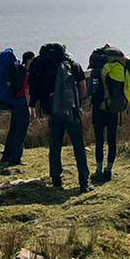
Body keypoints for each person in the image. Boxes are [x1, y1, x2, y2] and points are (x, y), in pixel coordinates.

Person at [42, 49, 89, 192]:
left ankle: (56, 180)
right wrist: (77, 103)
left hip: (54, 113)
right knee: (79, 147)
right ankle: (84, 182)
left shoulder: (47, 67)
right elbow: (83, 90)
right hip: (72, 111)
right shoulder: (74, 66)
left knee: (55, 147)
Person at [87, 44, 130, 184]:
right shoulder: (120, 69)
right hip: (114, 110)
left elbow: (90, 92)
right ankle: (109, 170)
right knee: (112, 141)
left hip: (99, 109)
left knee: (99, 140)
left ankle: (99, 170)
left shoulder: (96, 71)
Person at [0, 47, 30, 168]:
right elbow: (25, 89)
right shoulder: (22, 71)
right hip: (21, 104)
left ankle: (6, 156)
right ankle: (15, 159)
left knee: (13, 130)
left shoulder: (9, 70)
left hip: (13, 104)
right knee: (20, 132)